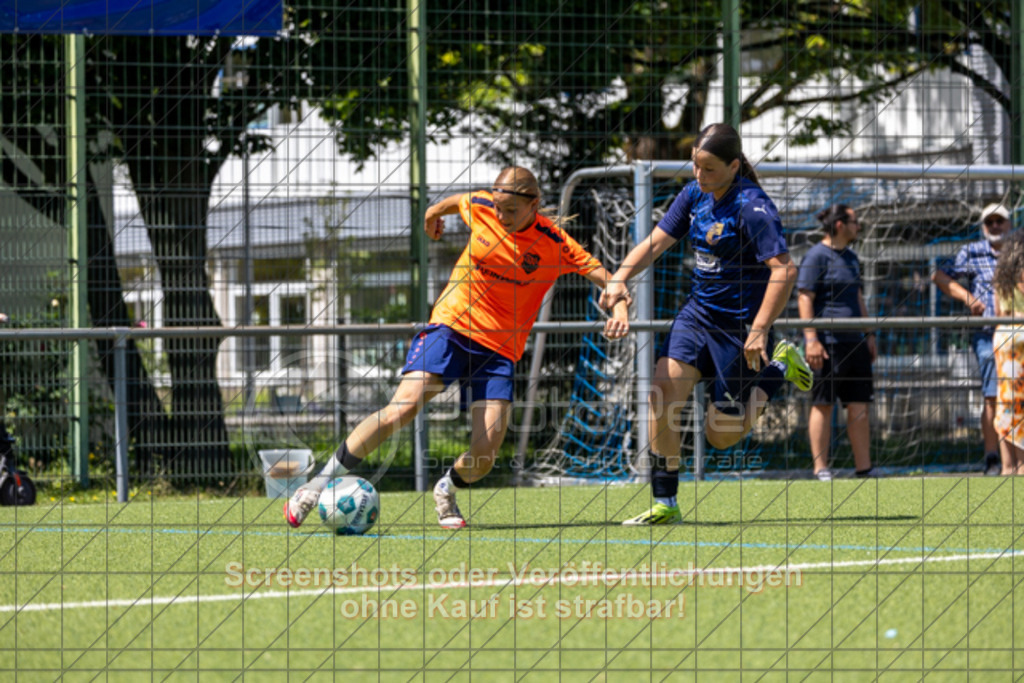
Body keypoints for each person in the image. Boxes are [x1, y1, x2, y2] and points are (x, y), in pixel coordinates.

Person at [284, 166, 630, 529]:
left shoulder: (553, 242)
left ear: (534, 204)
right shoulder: (482, 206)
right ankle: (313, 488)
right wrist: (432, 214)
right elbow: (456, 202)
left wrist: (619, 309)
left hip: (498, 352)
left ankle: (445, 490)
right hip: (452, 327)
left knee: (484, 456)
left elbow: (608, 279)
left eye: (510, 211)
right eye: (498, 208)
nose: (501, 216)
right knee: (401, 409)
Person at [599, 122, 812, 526]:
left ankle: (779, 368)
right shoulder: (695, 193)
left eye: (709, 168)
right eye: (695, 165)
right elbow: (656, 242)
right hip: (697, 315)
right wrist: (619, 277)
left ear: (734, 166)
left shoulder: (753, 207)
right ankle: (666, 502)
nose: (699, 175)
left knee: (721, 435)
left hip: (739, 326)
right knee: (660, 394)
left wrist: (759, 330)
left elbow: (784, 270)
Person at [932, 203, 1013, 476]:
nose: (995, 226)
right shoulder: (972, 251)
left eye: (1000, 221)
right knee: (993, 397)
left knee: (1018, 397)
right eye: (989, 222)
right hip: (988, 335)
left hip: (1021, 336)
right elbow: (939, 276)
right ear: (983, 226)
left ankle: (1016, 460)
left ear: (1009, 224)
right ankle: (994, 458)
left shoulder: (1019, 252)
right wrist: (968, 298)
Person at [797, 205, 876, 481]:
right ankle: (821, 469)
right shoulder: (816, 256)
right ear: (840, 224)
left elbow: (858, 299)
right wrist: (811, 339)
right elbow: (804, 297)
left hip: (855, 343)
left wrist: (869, 335)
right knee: (823, 404)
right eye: (855, 222)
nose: (859, 227)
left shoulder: (853, 258)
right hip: (827, 344)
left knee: (859, 405)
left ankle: (864, 469)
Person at [992, 230, 1024, 475]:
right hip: (1022, 338)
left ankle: (1007, 466)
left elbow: (998, 314)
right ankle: (1022, 466)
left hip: (1003, 338)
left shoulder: (1001, 277)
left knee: (1006, 401)